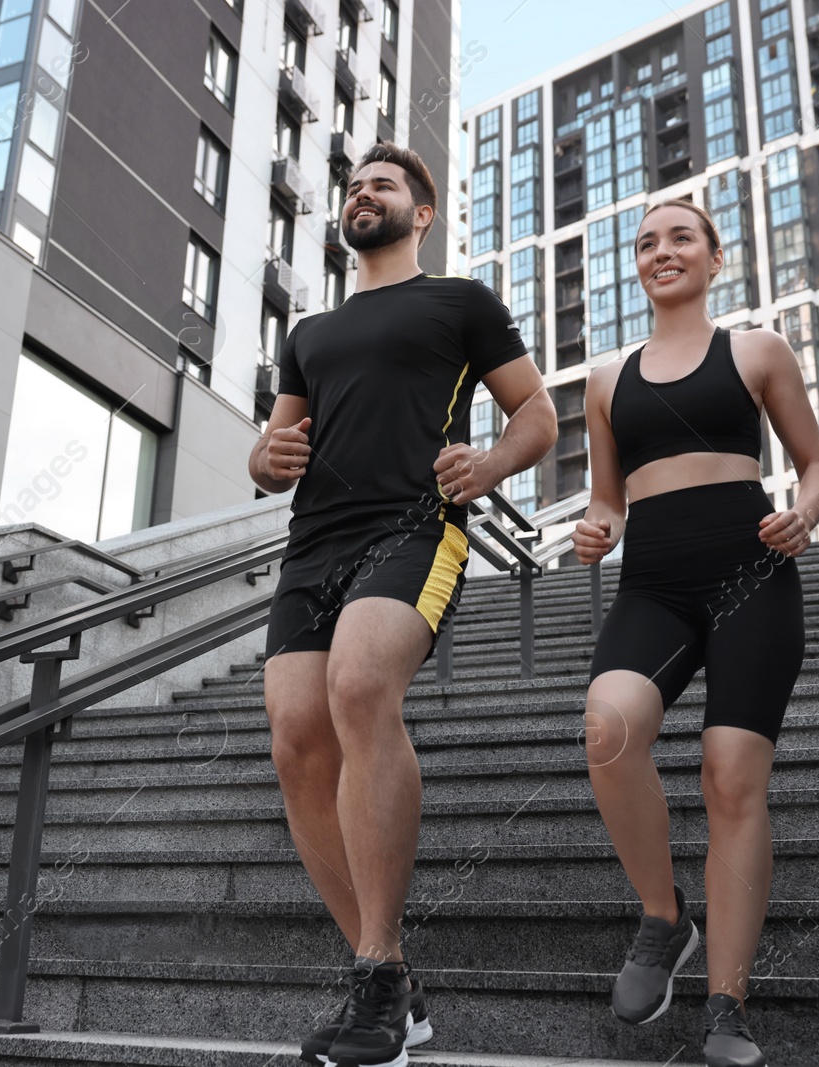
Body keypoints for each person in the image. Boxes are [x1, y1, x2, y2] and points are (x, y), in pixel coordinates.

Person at [249, 141, 557, 1067]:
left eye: (380, 186)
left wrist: (490, 463)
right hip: (314, 543)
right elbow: (271, 449)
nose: (361, 196)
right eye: (353, 188)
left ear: (420, 214)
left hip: (415, 526)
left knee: (357, 687)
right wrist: (267, 461)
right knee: (296, 735)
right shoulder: (307, 332)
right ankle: (387, 974)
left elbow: (536, 413)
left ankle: (378, 974)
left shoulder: (460, 303)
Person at [570, 198, 819, 1067]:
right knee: (608, 725)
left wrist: (803, 514)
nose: (661, 251)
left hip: (752, 576)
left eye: (680, 236)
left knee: (730, 776)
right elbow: (609, 496)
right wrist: (595, 526)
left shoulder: (757, 349)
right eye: (646, 242)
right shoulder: (606, 381)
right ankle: (664, 917)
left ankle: (728, 1001)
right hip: (655, 585)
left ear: (716, 257)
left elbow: (817, 464)